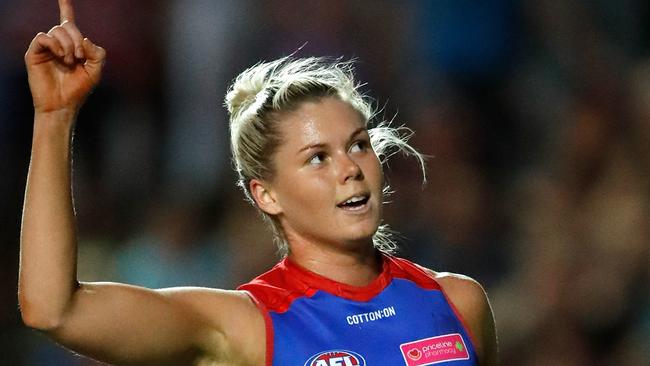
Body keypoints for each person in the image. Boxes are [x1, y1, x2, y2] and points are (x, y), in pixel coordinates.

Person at [19, 1, 498, 365]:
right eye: (316, 158)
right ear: (265, 194)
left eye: (357, 144)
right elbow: (53, 309)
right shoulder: (244, 325)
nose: (349, 168)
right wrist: (55, 118)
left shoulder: (458, 302)